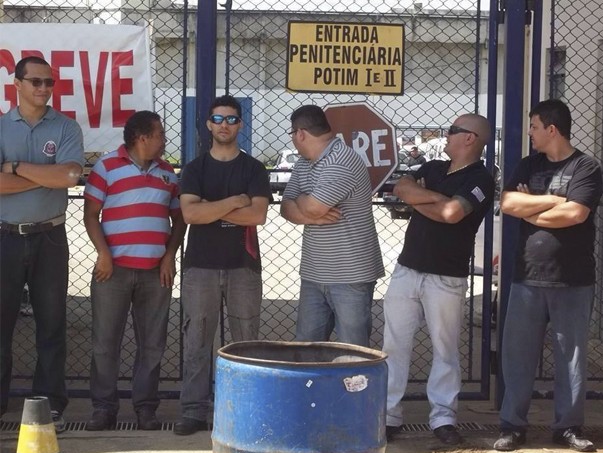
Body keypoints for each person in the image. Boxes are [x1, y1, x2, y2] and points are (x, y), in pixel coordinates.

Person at [494, 99, 602, 453]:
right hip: (527, 276)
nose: (530, 133)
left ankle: (568, 427)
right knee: (517, 356)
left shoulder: (586, 167)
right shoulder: (528, 165)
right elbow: (509, 203)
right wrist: (553, 200)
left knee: (570, 357)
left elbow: (575, 214)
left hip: (572, 278)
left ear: (551, 129)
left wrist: (532, 209)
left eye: (534, 126)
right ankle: (513, 426)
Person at [382, 114, 495, 445]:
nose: (446, 135)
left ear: (470, 138)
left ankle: (443, 418)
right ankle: (388, 415)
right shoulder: (431, 167)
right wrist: (431, 199)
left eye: (452, 131)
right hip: (407, 269)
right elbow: (401, 187)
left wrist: (422, 200)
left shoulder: (481, 179)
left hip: (446, 277)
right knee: (394, 345)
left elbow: (452, 214)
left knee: (445, 349)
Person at [174, 95, 271, 435]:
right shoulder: (194, 168)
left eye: (231, 119)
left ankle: (246, 408)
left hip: (243, 266)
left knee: (246, 341)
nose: (225, 125)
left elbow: (257, 214)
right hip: (200, 266)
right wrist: (233, 202)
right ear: (208, 124)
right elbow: (190, 214)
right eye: (218, 119)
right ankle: (194, 411)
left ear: (240, 124)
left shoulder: (254, 169)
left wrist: (209, 209)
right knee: (197, 340)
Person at [83, 111, 186, 431]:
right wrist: (103, 254)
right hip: (111, 272)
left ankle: (145, 409)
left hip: (157, 274)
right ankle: (104, 408)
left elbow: (179, 218)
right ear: (143, 138)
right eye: (161, 135)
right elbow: (90, 215)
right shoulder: (106, 167)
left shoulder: (168, 172)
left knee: (153, 344)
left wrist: (169, 255)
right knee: (105, 342)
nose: (165, 141)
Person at [0, 56, 84, 433]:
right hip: (5, 236)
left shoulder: (66, 127)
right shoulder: (1, 127)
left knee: (52, 324)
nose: (43, 88)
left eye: (49, 82)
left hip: (51, 236)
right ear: (16, 83)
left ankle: (48, 403)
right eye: (35, 81)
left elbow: (70, 175)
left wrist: (15, 168)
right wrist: (47, 177)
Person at [280, 105, 384, 347]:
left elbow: (314, 206)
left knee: (352, 350)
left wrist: (306, 206)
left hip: (350, 275)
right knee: (307, 346)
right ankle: (313, 387)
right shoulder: (305, 163)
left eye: (292, 135)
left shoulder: (342, 159)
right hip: (314, 274)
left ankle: (354, 387)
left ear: (300, 134)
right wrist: (311, 215)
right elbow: (286, 207)